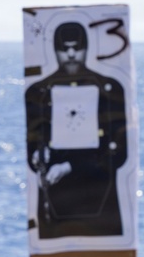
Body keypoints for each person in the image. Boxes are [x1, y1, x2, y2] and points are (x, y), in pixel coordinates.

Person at [25, 21, 128, 239]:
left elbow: (118, 153)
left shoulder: (109, 89)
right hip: (55, 207)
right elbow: (33, 146)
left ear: (86, 48)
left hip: (101, 205)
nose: (71, 54)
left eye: (77, 47)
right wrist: (38, 157)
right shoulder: (39, 92)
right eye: (64, 48)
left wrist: (71, 166)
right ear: (55, 50)